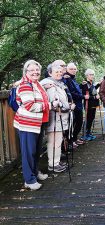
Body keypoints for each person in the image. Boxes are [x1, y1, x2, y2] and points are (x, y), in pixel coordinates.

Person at [13, 60, 49, 190]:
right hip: (27, 124)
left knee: (36, 151)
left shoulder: (37, 83)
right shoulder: (25, 85)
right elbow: (30, 106)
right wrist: (50, 105)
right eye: (32, 70)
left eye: (37, 70)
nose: (35, 72)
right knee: (29, 152)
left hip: (38, 123)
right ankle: (29, 180)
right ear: (26, 72)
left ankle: (34, 173)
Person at [40, 65, 72, 173]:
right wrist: (66, 107)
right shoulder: (49, 84)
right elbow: (54, 103)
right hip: (55, 118)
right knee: (54, 142)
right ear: (50, 73)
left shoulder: (58, 84)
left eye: (60, 71)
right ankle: (53, 164)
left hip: (60, 118)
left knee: (57, 141)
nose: (59, 73)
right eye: (56, 72)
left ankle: (56, 162)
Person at [63, 63, 85, 146]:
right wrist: (82, 96)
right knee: (73, 123)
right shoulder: (66, 78)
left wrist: (81, 86)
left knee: (79, 122)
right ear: (67, 69)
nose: (73, 70)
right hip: (73, 105)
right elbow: (70, 92)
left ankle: (74, 139)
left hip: (78, 104)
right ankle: (70, 141)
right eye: (71, 69)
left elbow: (75, 89)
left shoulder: (73, 78)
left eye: (74, 69)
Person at [81, 69, 100, 140]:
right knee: (87, 119)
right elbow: (85, 95)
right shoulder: (85, 84)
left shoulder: (91, 83)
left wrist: (98, 84)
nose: (92, 76)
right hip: (88, 105)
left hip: (93, 104)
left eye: (93, 74)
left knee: (91, 118)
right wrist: (95, 97)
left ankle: (88, 133)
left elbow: (93, 90)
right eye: (90, 74)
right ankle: (84, 135)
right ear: (87, 75)